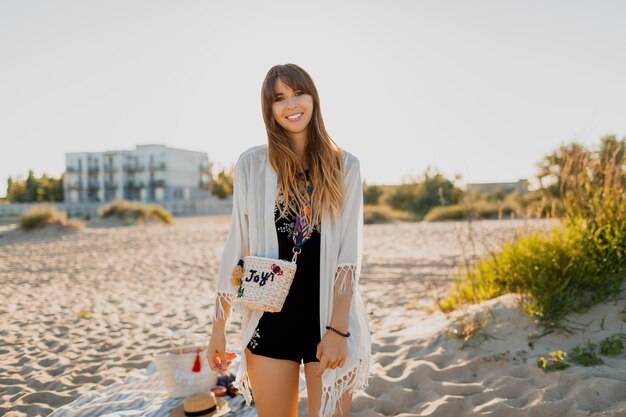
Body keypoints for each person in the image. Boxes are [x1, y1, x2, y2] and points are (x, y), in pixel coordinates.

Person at [206, 63, 372, 417]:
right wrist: (217, 329)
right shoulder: (251, 164)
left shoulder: (346, 166)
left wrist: (338, 331)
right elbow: (237, 247)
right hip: (268, 323)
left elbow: (348, 257)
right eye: (279, 98)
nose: (291, 104)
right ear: (268, 108)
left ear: (313, 98)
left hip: (327, 321)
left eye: (298, 93)